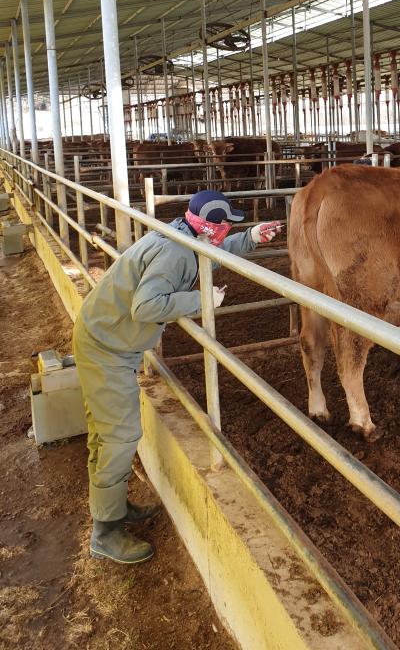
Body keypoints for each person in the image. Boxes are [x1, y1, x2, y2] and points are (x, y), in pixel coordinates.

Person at [72, 189, 281, 565]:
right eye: (226, 226)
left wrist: (250, 238)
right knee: (120, 435)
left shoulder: (181, 236)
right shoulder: (173, 253)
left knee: (106, 433)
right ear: (209, 227)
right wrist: (203, 301)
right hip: (108, 348)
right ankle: (105, 531)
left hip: (106, 337)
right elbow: (147, 306)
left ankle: (111, 505)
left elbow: (207, 256)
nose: (226, 231)